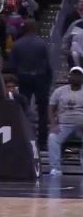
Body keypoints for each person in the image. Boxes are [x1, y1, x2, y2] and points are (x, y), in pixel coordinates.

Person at [9, 19, 51, 147]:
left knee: (23, 109)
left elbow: (12, 65)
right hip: (40, 78)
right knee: (42, 111)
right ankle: (42, 140)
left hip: (23, 78)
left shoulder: (17, 44)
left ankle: (24, 136)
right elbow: (48, 65)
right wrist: (48, 81)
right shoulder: (42, 44)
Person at [48, 67, 83, 176]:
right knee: (52, 137)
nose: (76, 77)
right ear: (70, 76)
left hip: (81, 126)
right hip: (63, 125)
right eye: (74, 74)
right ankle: (56, 169)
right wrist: (53, 124)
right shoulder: (60, 91)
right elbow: (51, 107)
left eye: (78, 75)